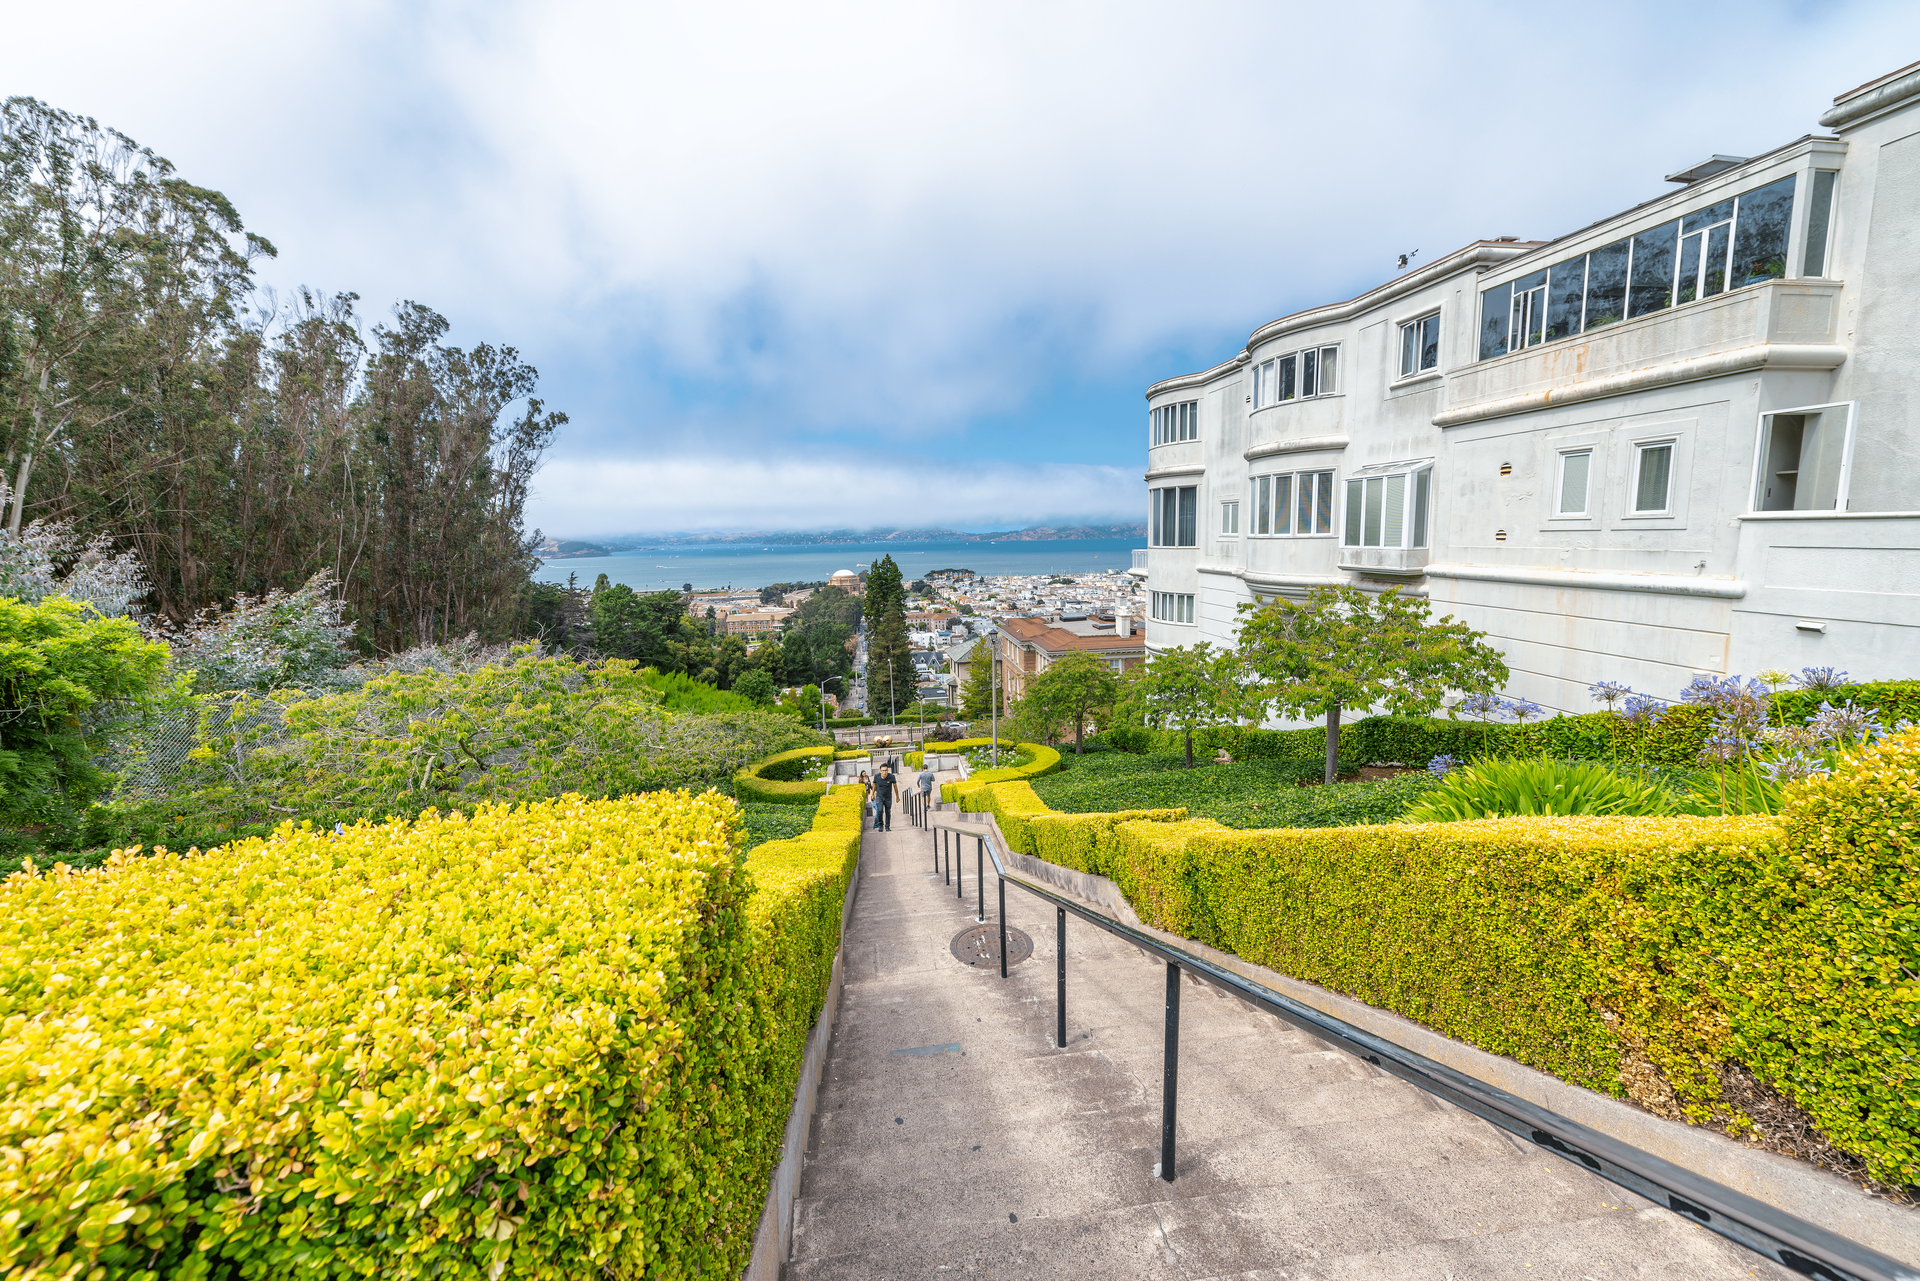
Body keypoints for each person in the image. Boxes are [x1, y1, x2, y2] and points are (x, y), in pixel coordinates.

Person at [871, 761, 901, 832]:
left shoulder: (891, 777)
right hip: (879, 796)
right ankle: (880, 825)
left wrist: (897, 797)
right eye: (883, 770)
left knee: (888, 811)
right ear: (880, 771)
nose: (884, 772)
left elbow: (895, 787)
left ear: (888, 770)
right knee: (880, 810)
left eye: (886, 770)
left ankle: (887, 826)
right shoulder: (876, 776)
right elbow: (874, 785)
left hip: (888, 797)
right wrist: (872, 794)